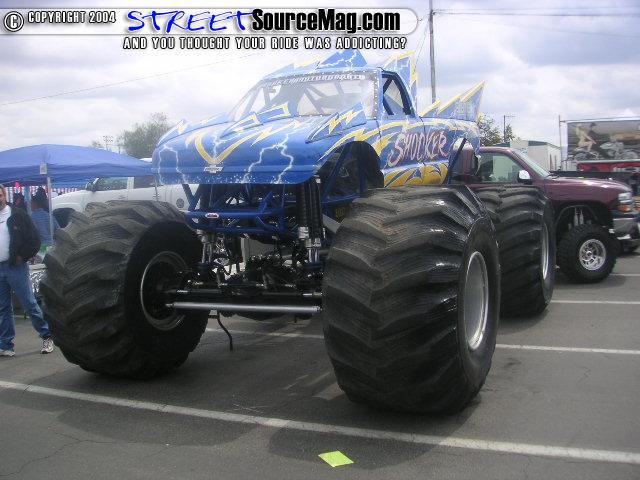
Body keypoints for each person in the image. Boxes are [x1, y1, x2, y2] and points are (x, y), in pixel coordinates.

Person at [0, 184, 54, 356]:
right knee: (3, 307)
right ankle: (6, 345)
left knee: (29, 303)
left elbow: (34, 240)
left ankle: (47, 335)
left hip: (15, 267)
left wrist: (21, 256)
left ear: (4, 196)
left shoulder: (18, 215)